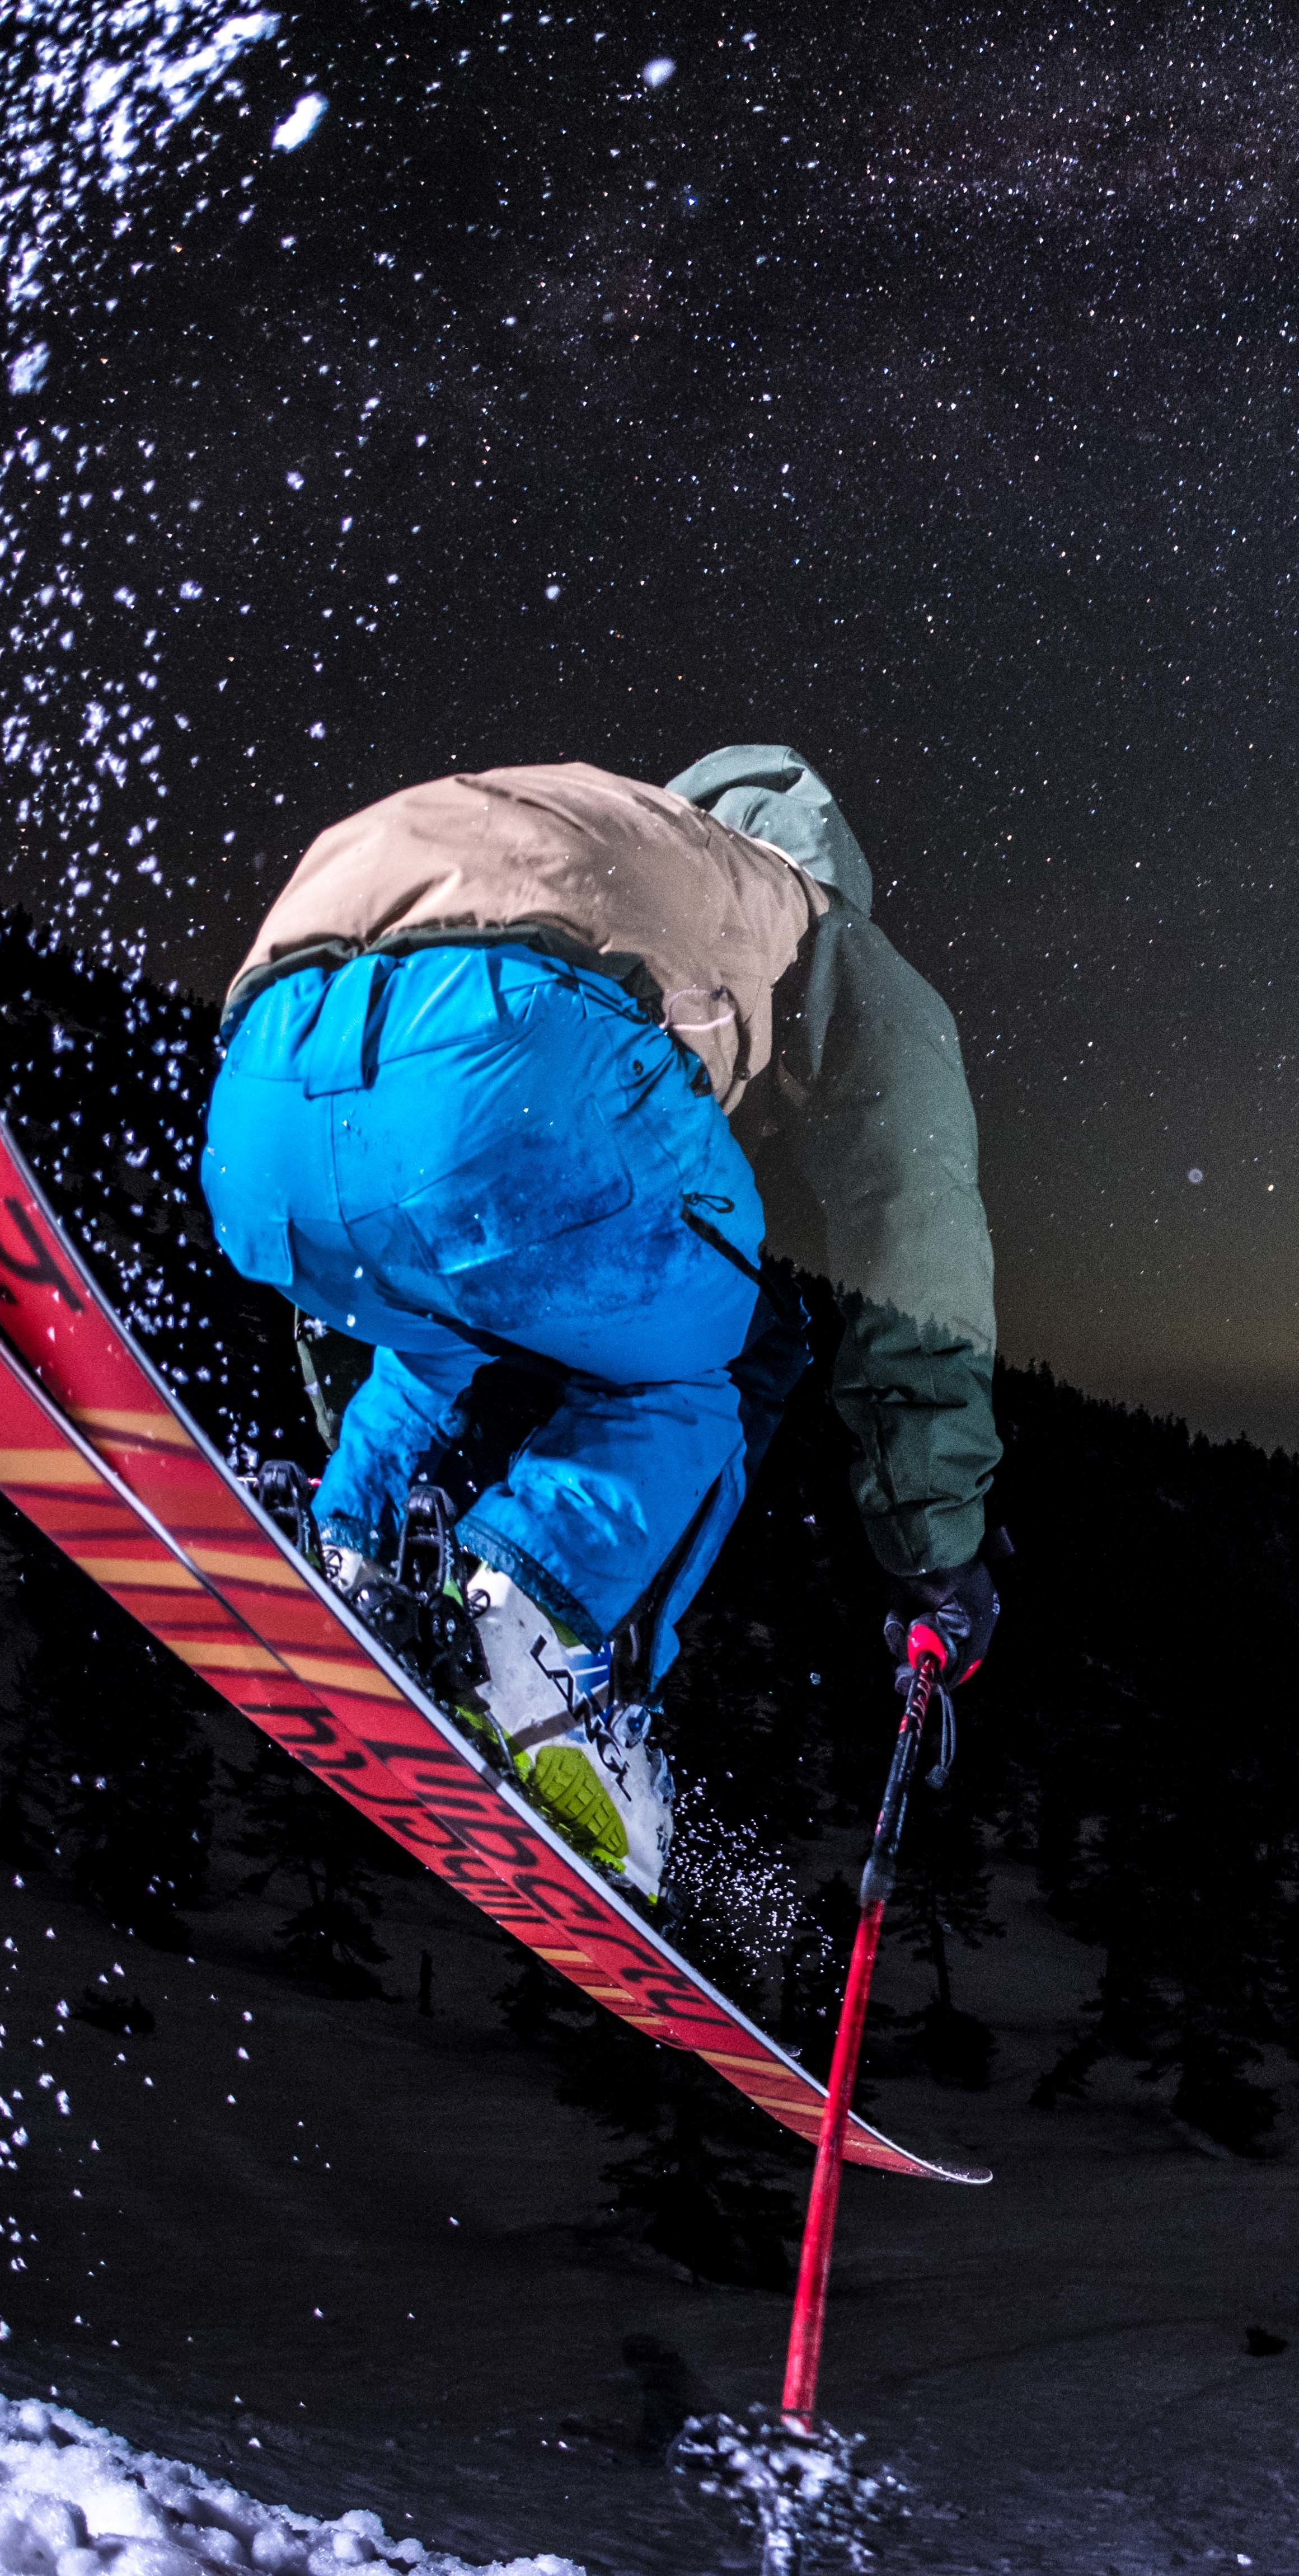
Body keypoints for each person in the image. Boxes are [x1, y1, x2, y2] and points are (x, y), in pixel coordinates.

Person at [198, 748, 1003, 1898]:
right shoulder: (822, 930)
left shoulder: (593, 828)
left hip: (255, 1118)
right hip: (516, 1073)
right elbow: (913, 1229)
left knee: (443, 1322)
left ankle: (348, 1544)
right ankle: (538, 1650)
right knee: (720, 1355)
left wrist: (366, 1467)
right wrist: (937, 1549)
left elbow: (385, 1270)